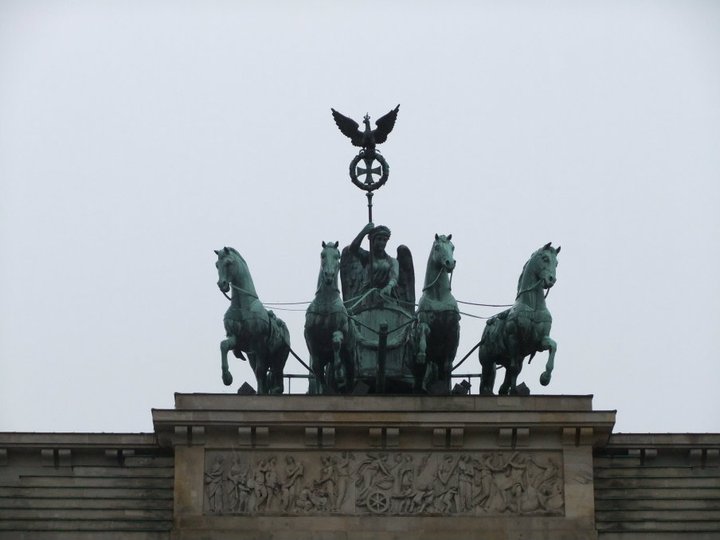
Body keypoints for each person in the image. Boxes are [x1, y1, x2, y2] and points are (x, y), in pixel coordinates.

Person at [348, 222, 400, 298]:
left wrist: (389, 286)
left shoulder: (392, 261)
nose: (382, 242)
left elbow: (394, 278)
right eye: (379, 239)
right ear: (372, 240)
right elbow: (353, 249)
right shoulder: (367, 257)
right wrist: (364, 232)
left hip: (386, 296)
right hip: (368, 296)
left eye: (384, 240)